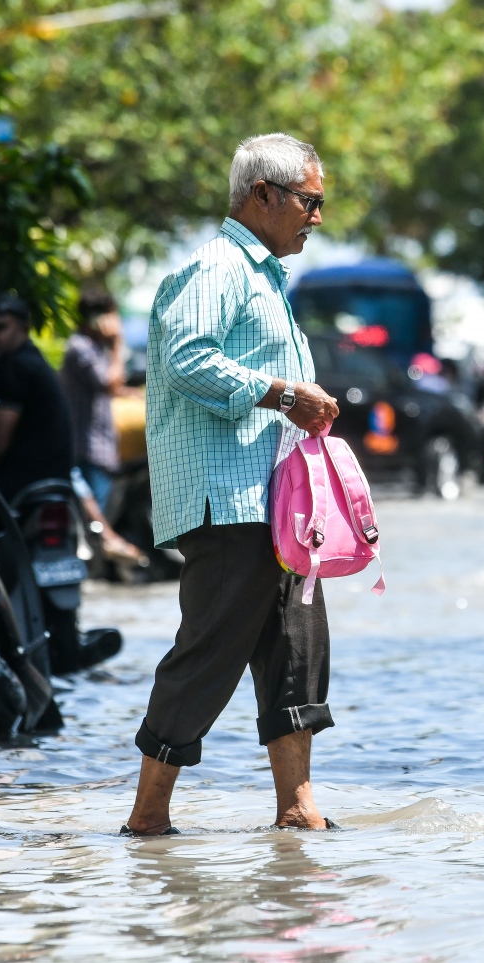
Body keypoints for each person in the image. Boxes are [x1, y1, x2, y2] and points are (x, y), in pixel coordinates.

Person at [125, 133, 339, 836]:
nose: (316, 216)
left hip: (278, 506)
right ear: (263, 196)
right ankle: (148, 815)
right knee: (210, 651)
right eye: (309, 201)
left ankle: (298, 808)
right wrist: (283, 393)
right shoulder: (216, 267)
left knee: (295, 654)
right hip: (229, 502)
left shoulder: (266, 277)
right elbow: (187, 359)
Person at [0, 293, 76, 503]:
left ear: (23, 329)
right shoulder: (31, 360)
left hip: (22, 489)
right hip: (48, 484)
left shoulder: (15, 368)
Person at [61, 289, 130, 511]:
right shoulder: (80, 348)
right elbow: (109, 383)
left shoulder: (95, 347)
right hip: (88, 451)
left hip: (100, 449)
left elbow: (113, 387)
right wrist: (117, 344)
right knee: (95, 526)